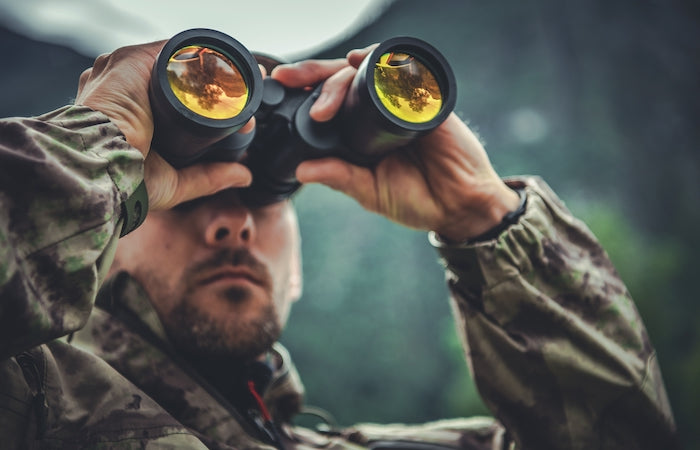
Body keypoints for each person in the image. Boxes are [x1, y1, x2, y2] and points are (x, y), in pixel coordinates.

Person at [0, 36, 679, 450]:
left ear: (297, 271)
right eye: (192, 197)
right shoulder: (29, 405)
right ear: (105, 233)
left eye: (268, 199)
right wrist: (104, 140)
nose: (232, 224)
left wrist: (485, 215)